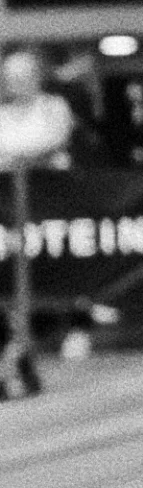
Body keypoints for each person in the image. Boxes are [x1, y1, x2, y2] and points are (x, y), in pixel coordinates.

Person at [1, 47, 74, 396]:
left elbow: (54, 144)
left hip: (50, 215)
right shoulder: (1, 114)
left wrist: (17, 160)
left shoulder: (54, 108)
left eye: (23, 75)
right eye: (9, 76)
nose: (16, 82)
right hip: (6, 216)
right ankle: (16, 358)